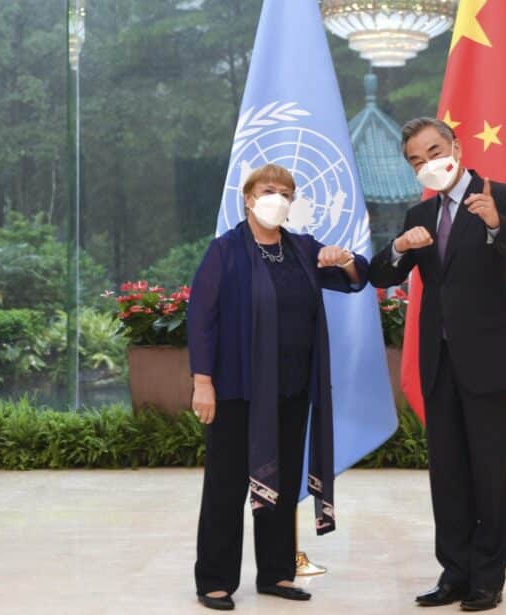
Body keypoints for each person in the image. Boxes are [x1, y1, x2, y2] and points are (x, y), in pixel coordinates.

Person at [368, 117, 506, 612]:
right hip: (438, 362)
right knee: (448, 475)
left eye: (434, 151)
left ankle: (488, 579)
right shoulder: (418, 213)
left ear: (456, 147)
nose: (427, 164)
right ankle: (455, 575)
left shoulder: (501, 196)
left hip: (489, 359)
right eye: (416, 160)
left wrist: (495, 224)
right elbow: (381, 274)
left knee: (491, 473)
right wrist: (399, 247)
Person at [187, 163, 368, 611]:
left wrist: (344, 259)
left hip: (292, 389)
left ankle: (276, 573)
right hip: (236, 389)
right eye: (269, 190)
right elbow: (201, 318)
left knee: (282, 483)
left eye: (286, 193)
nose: (278, 199)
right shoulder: (225, 251)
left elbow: (357, 278)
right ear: (249, 198)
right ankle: (215, 580)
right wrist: (202, 381)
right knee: (227, 485)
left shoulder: (302, 249)